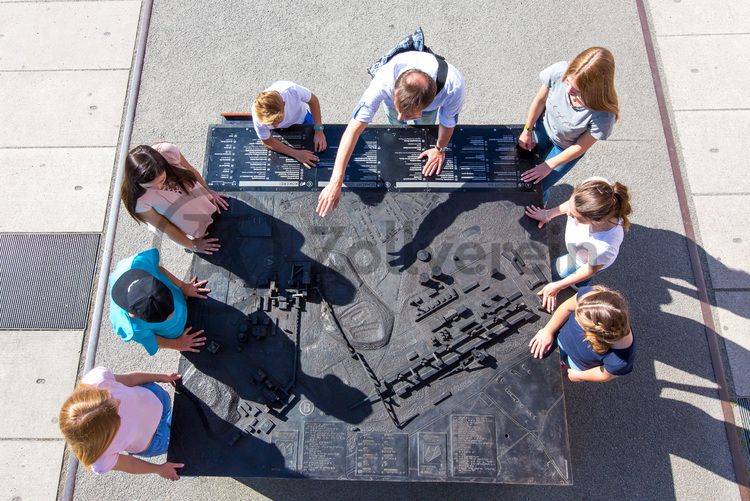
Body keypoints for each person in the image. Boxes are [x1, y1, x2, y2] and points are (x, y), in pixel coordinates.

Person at [316, 51, 465, 217]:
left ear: (427, 104)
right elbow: (353, 129)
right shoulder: (382, 83)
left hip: (428, 108)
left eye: (408, 115)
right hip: (402, 99)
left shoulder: (454, 88)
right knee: (395, 121)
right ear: (395, 91)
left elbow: (447, 122)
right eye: (399, 109)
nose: (402, 117)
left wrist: (439, 149)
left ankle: (417, 118)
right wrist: (336, 181)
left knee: (426, 126)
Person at [518, 47, 620, 205]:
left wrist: (549, 165)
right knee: (521, 171)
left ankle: (540, 202)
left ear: (595, 90)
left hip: (566, 148)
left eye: (577, 90)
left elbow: (580, 146)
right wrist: (527, 129)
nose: (569, 91)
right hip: (542, 129)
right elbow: (539, 101)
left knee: (538, 185)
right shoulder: (558, 71)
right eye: (568, 82)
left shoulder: (603, 115)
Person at [59, 366, 186, 479]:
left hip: (156, 399)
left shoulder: (97, 381)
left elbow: (130, 379)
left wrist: (161, 377)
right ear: (107, 434)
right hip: (156, 439)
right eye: (116, 413)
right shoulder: (100, 457)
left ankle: (172, 418)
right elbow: (130, 464)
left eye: (110, 396)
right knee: (185, 438)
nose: (119, 401)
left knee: (181, 428)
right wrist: (159, 469)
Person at [525, 178, 631, 311]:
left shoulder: (604, 247)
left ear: (596, 220)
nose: (568, 213)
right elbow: (572, 205)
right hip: (580, 251)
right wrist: (547, 214)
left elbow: (589, 270)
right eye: (570, 208)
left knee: (558, 271)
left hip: (581, 260)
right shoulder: (595, 187)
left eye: (576, 217)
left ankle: (578, 284)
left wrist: (559, 285)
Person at [123, 143, 229, 254]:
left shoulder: (168, 152)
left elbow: (190, 170)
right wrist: (192, 245)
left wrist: (208, 191)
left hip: (196, 201)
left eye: (161, 180)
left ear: (164, 165)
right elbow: (166, 227)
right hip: (182, 221)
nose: (158, 187)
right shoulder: (139, 202)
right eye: (149, 186)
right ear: (134, 181)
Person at [109, 248, 209, 355]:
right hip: (173, 332)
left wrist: (183, 286)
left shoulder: (141, 262)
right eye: (166, 318)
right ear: (133, 315)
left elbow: (158, 269)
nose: (173, 314)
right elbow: (153, 339)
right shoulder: (130, 327)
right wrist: (178, 344)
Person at [529, 285, 635, 383]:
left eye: (581, 323)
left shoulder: (620, 360)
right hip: (560, 338)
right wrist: (548, 330)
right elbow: (566, 307)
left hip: (577, 363)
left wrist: (580, 375)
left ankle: (563, 365)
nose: (574, 317)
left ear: (594, 335)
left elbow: (606, 374)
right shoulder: (591, 297)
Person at [252, 81, 327, 168]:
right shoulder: (258, 116)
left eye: (278, 121)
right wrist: (296, 154)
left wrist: (319, 130)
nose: (275, 126)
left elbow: (313, 100)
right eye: (271, 124)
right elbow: (267, 141)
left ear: (284, 104)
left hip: (303, 118)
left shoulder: (292, 90)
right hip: (282, 132)